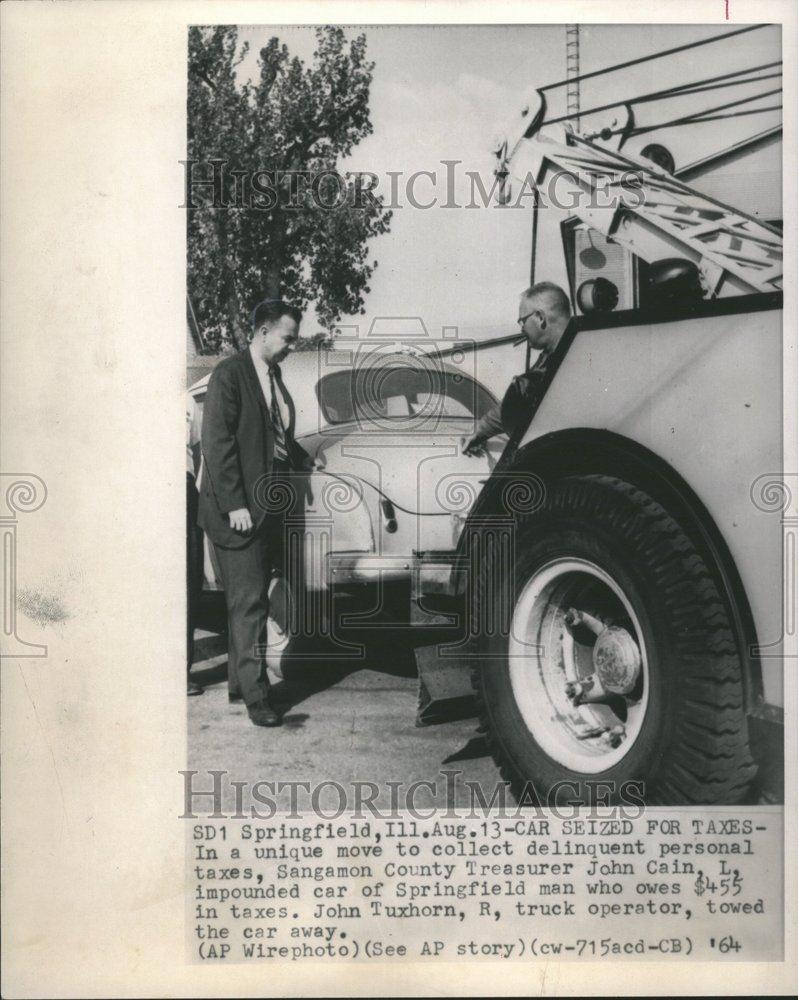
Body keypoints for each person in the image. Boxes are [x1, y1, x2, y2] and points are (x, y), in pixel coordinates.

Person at [198, 299, 309, 727]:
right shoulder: (230, 374)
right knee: (250, 606)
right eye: (288, 338)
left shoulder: (272, 375)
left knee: (245, 603)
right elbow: (218, 442)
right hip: (238, 510)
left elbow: (271, 432)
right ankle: (258, 697)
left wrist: (301, 458)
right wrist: (235, 504)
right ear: (263, 332)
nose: (292, 347)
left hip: (264, 507)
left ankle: (236, 683)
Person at [462, 282, 572, 457]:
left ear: (540, 318)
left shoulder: (575, 353)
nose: (521, 328)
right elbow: (519, 403)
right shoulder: (553, 354)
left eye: (522, 320)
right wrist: (479, 431)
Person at [186, 393, 204, 696]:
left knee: (186, 581)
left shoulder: (185, 400)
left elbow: (198, 450)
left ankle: (180, 669)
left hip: (181, 486)